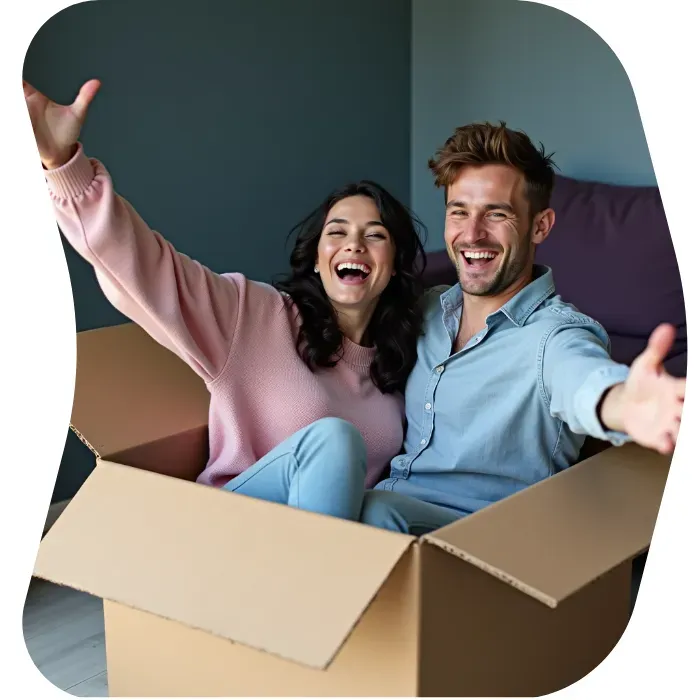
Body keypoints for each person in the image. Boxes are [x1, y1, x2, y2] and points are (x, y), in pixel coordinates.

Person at [24, 78, 428, 522]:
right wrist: (64, 166)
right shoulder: (257, 317)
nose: (354, 245)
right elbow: (147, 269)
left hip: (335, 542)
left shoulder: (399, 357)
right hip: (235, 530)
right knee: (334, 439)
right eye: (337, 233)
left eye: (375, 236)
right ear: (317, 259)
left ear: (393, 266)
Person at [358, 121, 686, 534]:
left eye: (496, 214)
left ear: (540, 226)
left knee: (370, 512)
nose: (472, 234)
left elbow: (584, 379)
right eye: (459, 211)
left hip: (486, 546)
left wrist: (623, 403)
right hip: (389, 519)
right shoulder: (425, 310)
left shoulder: (554, 337)